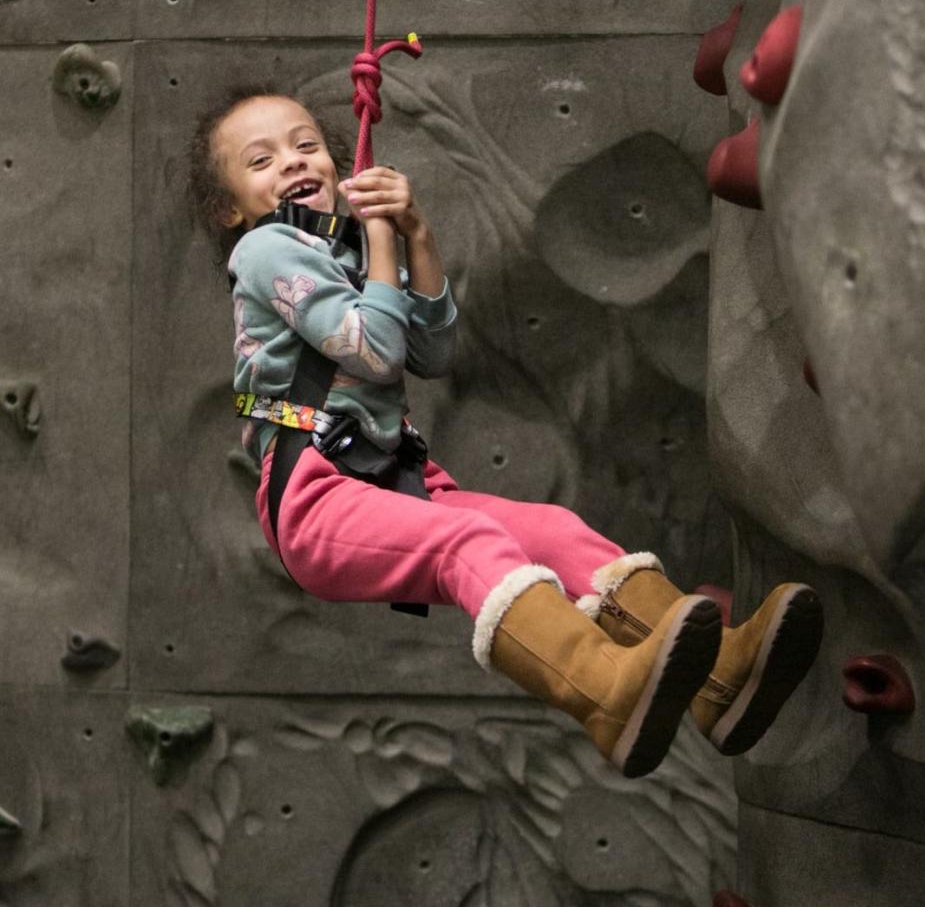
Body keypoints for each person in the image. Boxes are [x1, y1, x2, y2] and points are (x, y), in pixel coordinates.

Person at [188, 84, 823, 778]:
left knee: (552, 531)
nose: (290, 161)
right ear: (231, 207)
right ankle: (603, 690)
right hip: (317, 500)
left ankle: (720, 682)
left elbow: (435, 354)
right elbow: (374, 351)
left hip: (401, 487)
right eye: (261, 160)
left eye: (306, 145)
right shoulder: (266, 251)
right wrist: (378, 240)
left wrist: (416, 236)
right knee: (466, 542)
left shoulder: (342, 254)